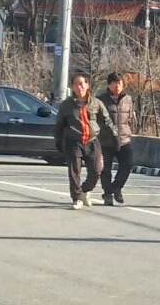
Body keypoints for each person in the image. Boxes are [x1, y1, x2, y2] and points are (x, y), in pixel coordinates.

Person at [54, 72, 117, 210]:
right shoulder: (66, 105)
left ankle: (84, 190)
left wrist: (115, 135)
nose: (79, 87)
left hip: (92, 141)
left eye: (82, 83)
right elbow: (59, 124)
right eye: (76, 84)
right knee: (74, 171)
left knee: (97, 170)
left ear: (87, 85)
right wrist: (58, 140)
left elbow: (106, 120)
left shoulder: (96, 103)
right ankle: (76, 198)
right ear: (72, 87)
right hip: (74, 142)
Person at [97, 72, 137, 206]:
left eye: (120, 83)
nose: (117, 86)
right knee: (105, 169)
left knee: (127, 164)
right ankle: (107, 194)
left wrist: (129, 132)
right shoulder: (101, 100)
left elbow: (130, 119)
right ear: (109, 84)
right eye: (114, 83)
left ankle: (116, 187)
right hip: (106, 140)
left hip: (124, 139)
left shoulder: (128, 99)